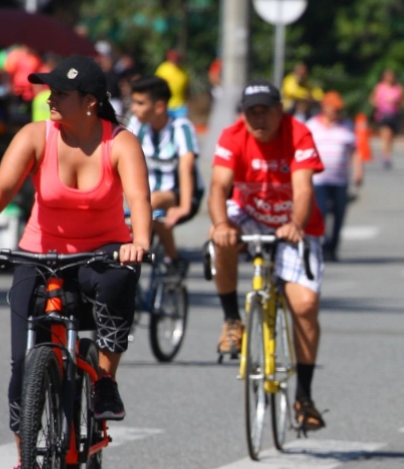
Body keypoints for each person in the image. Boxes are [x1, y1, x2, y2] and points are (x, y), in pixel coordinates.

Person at [0, 56, 152, 469]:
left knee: (121, 281)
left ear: (90, 102)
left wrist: (138, 243)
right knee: (23, 367)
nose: (49, 99)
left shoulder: (120, 143)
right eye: (49, 92)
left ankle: (103, 381)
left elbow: (139, 200)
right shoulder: (34, 136)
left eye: (60, 93)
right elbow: (1, 189)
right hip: (39, 254)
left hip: (100, 254)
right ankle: (26, 464)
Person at [208, 82, 328, 431]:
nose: (258, 118)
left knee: (304, 305)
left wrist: (295, 224)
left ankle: (304, 397)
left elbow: (303, 187)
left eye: (265, 110)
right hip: (250, 214)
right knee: (221, 240)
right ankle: (232, 320)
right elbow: (218, 187)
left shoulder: (298, 134)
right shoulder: (233, 136)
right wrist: (220, 224)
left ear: (280, 110)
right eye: (251, 111)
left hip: (295, 223)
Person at [127, 76, 204, 267]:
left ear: (159, 107)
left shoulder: (181, 127)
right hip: (147, 195)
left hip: (182, 194)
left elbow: (186, 168)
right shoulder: (137, 126)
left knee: (152, 202)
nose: (133, 108)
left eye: (140, 103)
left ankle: (173, 261)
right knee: (152, 212)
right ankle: (169, 259)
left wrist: (184, 207)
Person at [307, 91, 364, 262]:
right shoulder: (311, 126)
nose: (337, 113)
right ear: (325, 107)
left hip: (340, 179)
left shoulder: (346, 126)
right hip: (319, 179)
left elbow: (355, 151)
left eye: (339, 110)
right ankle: (322, 246)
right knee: (321, 212)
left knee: (339, 214)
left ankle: (333, 247)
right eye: (334, 109)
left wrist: (358, 171)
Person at [369, 68, 404, 170]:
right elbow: (372, 99)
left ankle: (387, 153)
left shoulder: (398, 88)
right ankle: (385, 156)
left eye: (392, 76)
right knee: (386, 134)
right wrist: (380, 104)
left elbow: (402, 102)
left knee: (391, 137)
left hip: (393, 114)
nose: (390, 78)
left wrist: (395, 102)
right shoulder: (379, 87)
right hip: (383, 114)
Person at [153, 50, 189, 118]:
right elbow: (155, 86)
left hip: (179, 106)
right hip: (165, 106)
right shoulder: (163, 69)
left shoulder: (183, 74)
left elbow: (186, 90)